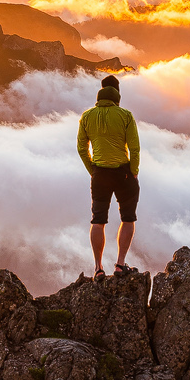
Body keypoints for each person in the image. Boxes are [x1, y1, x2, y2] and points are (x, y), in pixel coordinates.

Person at [77, 79, 140, 277]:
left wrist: (93, 170)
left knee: (98, 220)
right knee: (128, 218)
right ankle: (120, 264)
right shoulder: (125, 116)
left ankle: (98, 268)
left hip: (99, 173)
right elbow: (134, 148)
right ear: (117, 99)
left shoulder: (86, 117)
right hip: (123, 172)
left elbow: (81, 148)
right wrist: (134, 170)